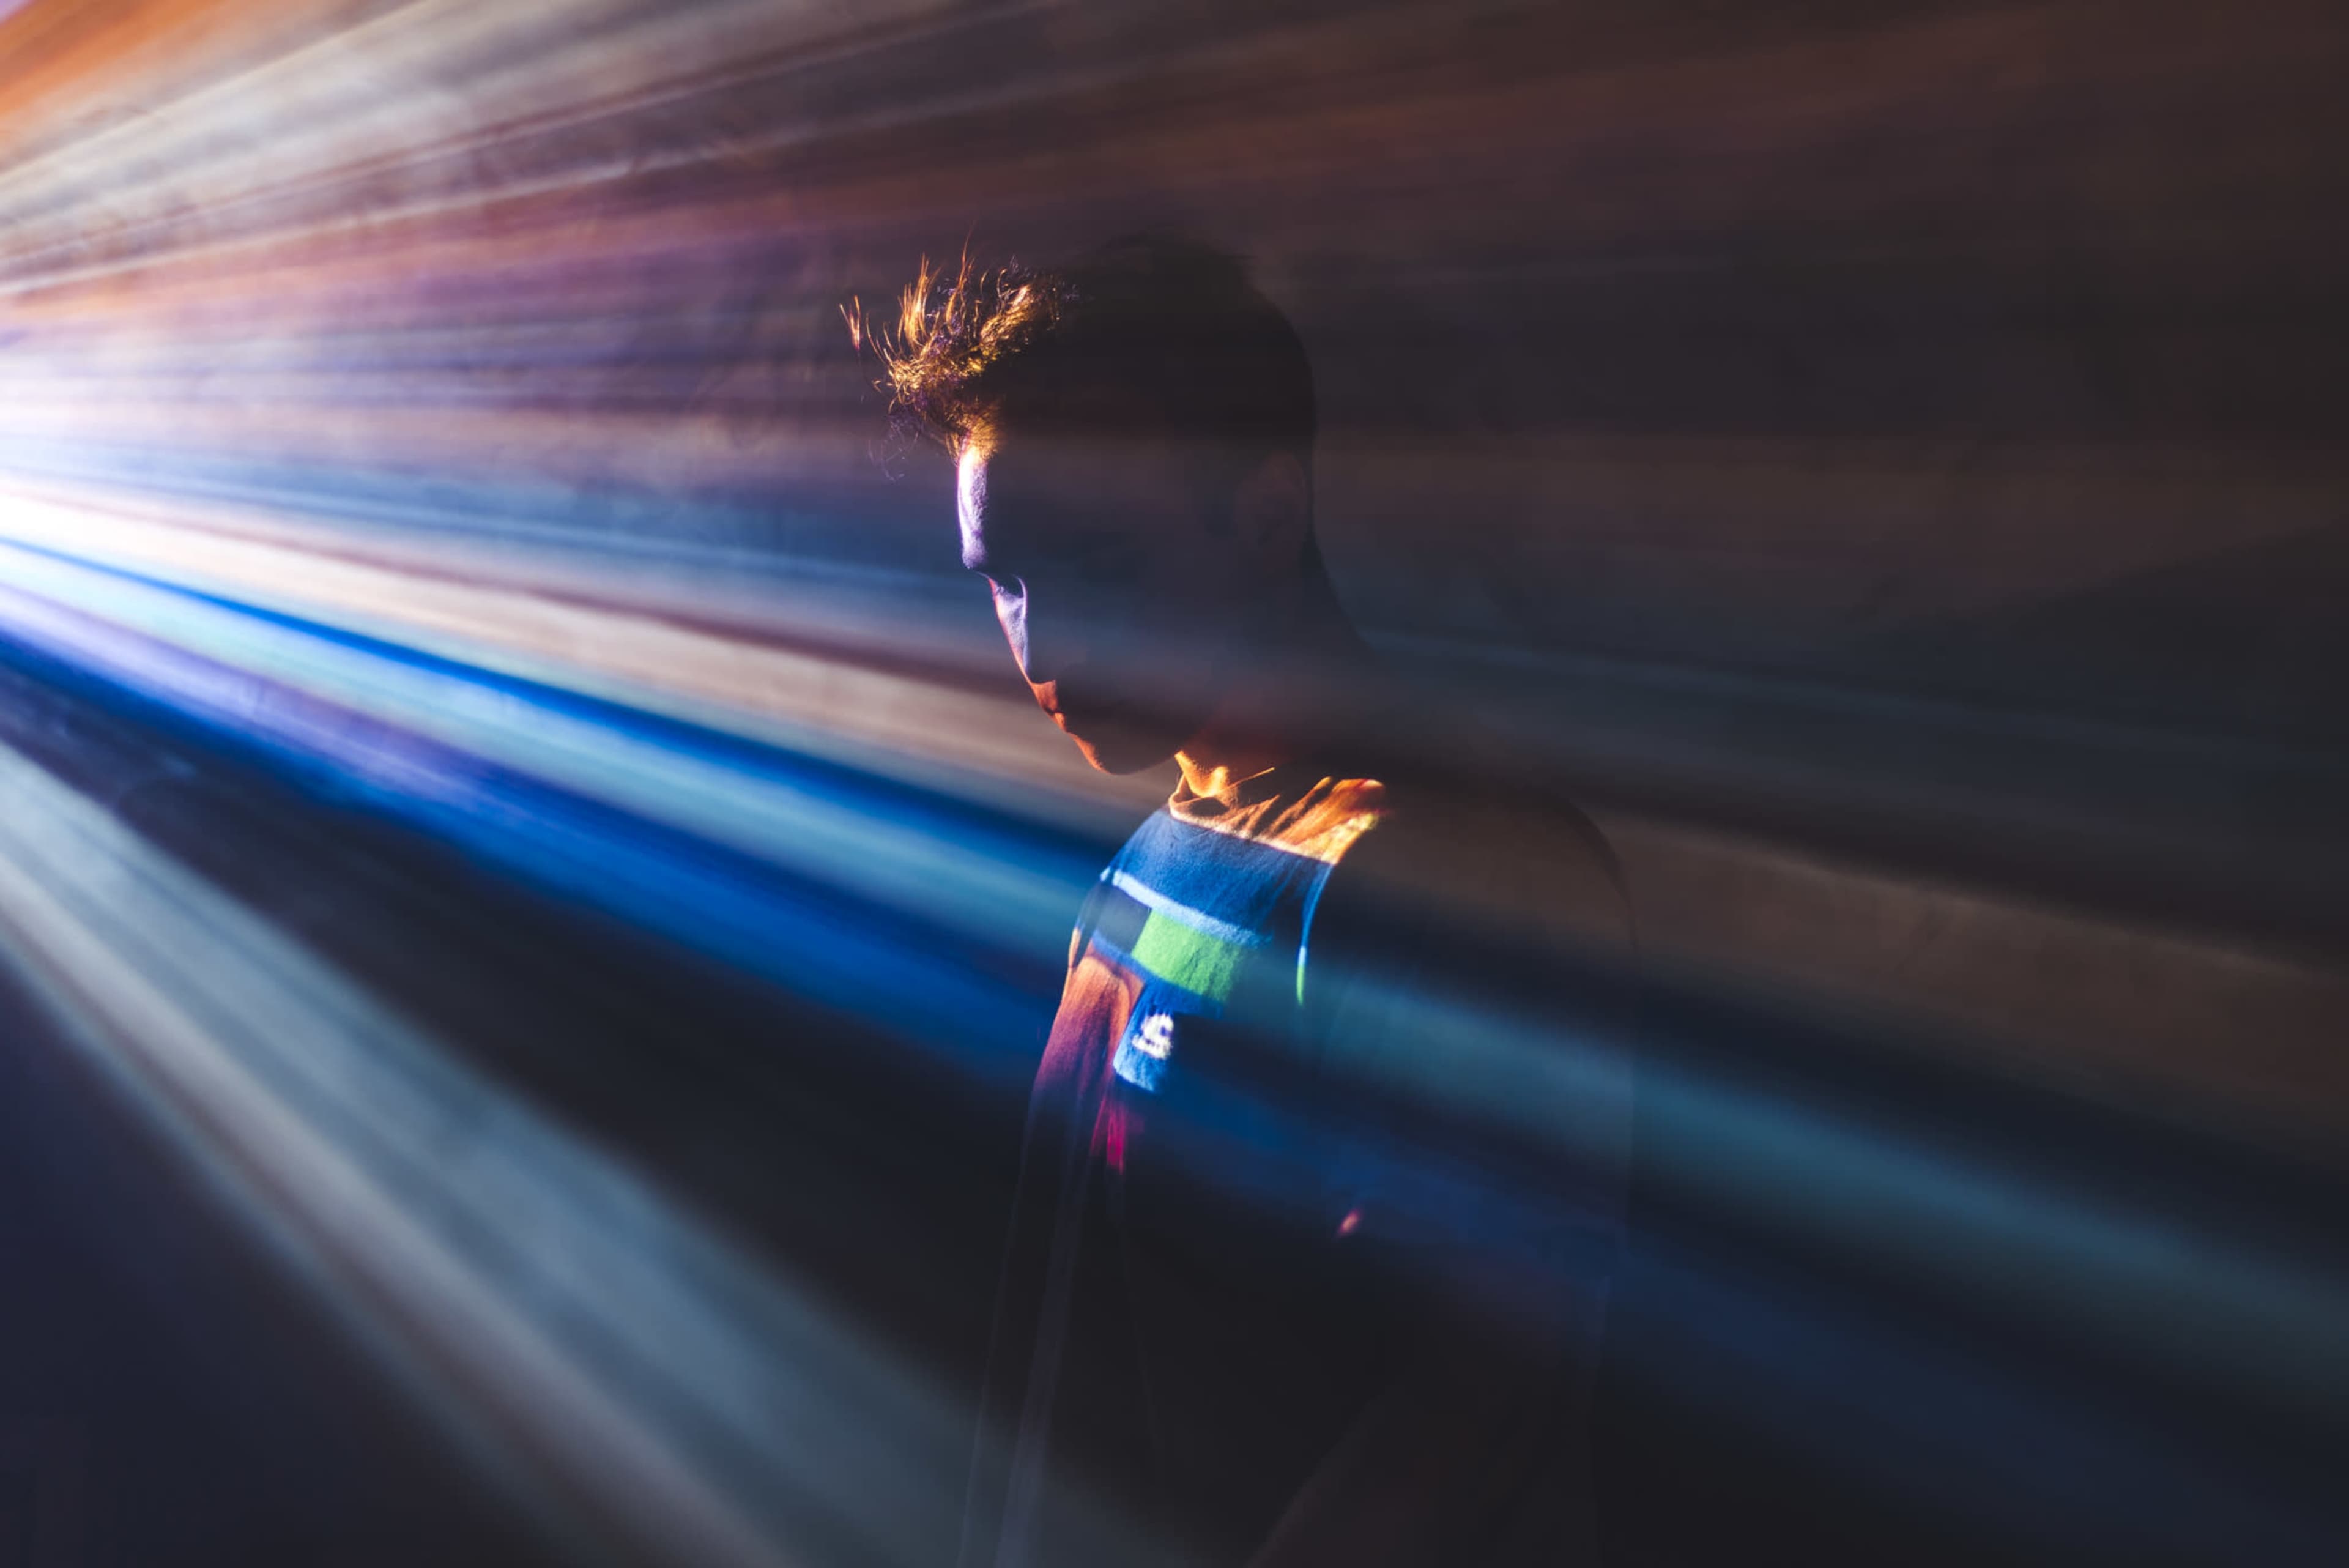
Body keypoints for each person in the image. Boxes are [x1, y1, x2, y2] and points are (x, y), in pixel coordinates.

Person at [853, 236, 1637, 1567]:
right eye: (1002, 579)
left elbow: (1480, 1398)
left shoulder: (1434, 867)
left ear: (1269, 515)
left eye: (1097, 559)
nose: (1041, 645)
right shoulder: (1172, 842)